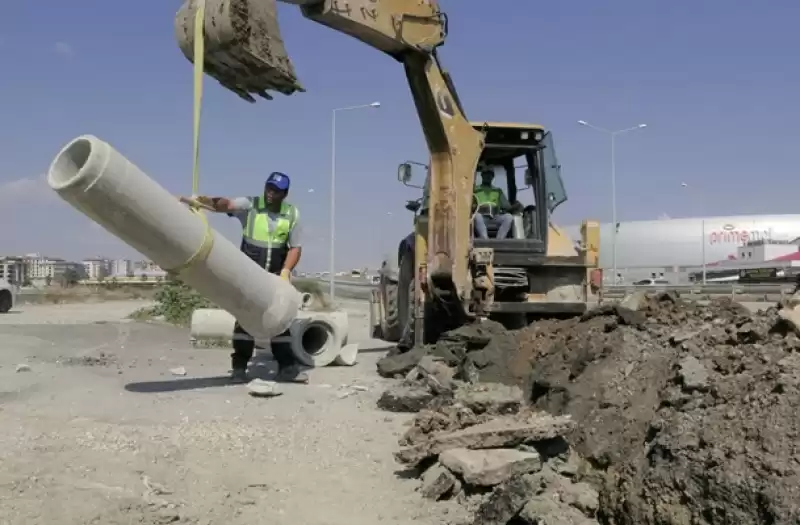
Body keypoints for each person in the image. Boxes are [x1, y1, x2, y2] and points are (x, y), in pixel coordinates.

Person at [182, 172, 307, 384]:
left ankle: (287, 368)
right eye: (268, 188)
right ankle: (239, 368)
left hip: (276, 274)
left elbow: (295, 248)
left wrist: (286, 272)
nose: (270, 193)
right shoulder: (251, 205)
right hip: (249, 271)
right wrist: (208, 201)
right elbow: (227, 205)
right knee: (244, 321)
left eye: (276, 191)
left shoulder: (292, 214)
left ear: (284, 194)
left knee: (281, 321)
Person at [473, 169, 514, 239]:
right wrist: (477, 207)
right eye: (486, 174)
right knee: (477, 216)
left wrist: (515, 206)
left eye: (490, 174)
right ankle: (485, 240)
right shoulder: (475, 190)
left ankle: (499, 240)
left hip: (495, 216)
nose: (488, 176)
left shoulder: (498, 191)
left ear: (493, 177)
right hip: (481, 217)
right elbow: (470, 205)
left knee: (509, 217)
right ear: (482, 175)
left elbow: (507, 206)